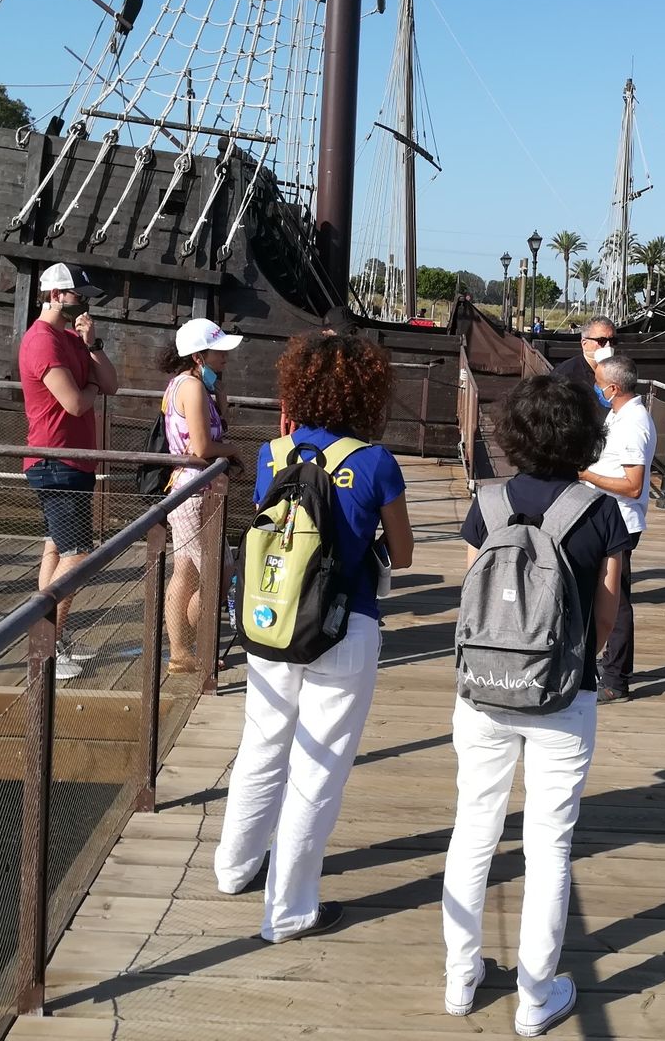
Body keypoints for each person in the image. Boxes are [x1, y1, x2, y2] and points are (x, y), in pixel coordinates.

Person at [213, 332, 413, 943]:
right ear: (366, 394)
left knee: (262, 743)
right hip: (344, 624)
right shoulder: (376, 463)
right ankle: (291, 909)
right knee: (318, 765)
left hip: (271, 621)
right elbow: (402, 555)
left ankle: (234, 866)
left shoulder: (275, 453)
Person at [444, 376, 627, 1035]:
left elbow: (473, 594)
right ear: (586, 436)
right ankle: (535, 996)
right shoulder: (599, 512)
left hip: (484, 692)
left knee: (474, 830)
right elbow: (606, 616)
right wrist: (576, 662)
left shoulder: (487, 505)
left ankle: (461, 979)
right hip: (563, 695)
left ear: (513, 434)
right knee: (548, 848)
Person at [18, 262, 119, 681]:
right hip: (54, 460)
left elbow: (110, 384)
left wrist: (92, 345)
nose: (86, 301)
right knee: (77, 554)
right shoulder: (42, 341)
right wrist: (91, 388)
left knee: (57, 550)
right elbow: (77, 403)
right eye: (79, 295)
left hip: (72, 460)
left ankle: (50, 640)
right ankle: (45, 645)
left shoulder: (71, 339)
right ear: (57, 295)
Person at [159, 317, 248, 674]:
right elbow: (202, 446)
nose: (225, 358)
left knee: (186, 572)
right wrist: (234, 451)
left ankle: (182, 651)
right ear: (199, 356)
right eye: (219, 351)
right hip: (195, 493)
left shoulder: (190, 386)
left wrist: (221, 404)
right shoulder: (192, 388)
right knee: (219, 573)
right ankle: (194, 645)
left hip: (194, 490)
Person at [578, 353, 656, 703]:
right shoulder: (620, 415)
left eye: (598, 384)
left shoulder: (633, 424)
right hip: (607, 516)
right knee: (603, 592)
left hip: (620, 521)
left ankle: (616, 679)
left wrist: (586, 475)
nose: (595, 388)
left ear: (612, 388)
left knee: (616, 598)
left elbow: (633, 485)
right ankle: (604, 664)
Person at [550, 316, 617, 405]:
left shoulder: (617, 373)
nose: (608, 346)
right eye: (602, 341)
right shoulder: (565, 377)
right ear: (584, 344)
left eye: (612, 341)